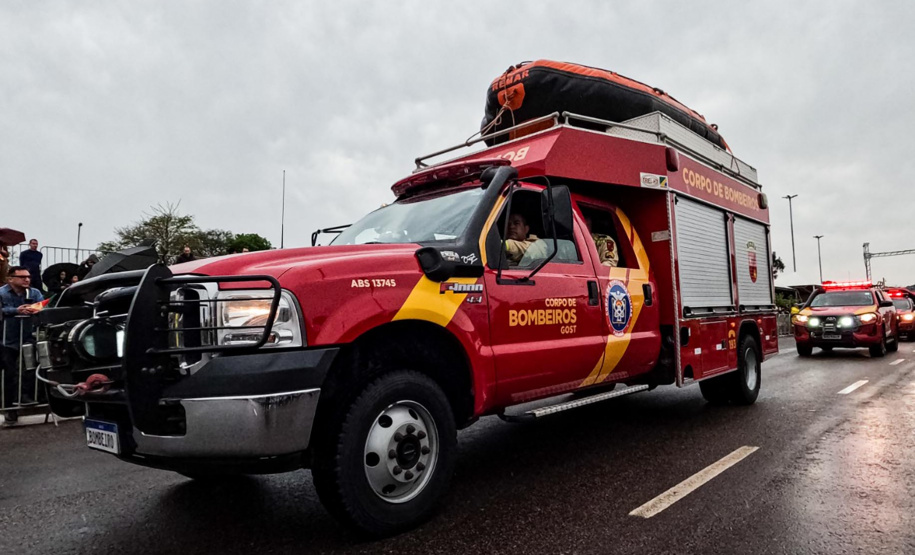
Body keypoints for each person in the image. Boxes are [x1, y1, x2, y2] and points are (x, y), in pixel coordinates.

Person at [1, 266, 44, 426]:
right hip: (6, 338)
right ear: (10, 279)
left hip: (27, 336)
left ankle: (26, 396)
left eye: (28, 276)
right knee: (9, 373)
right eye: (22, 277)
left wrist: (33, 309)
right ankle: (9, 407)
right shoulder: (2, 293)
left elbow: (43, 305)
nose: (27, 279)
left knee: (29, 368)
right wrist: (15, 310)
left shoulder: (33, 293)